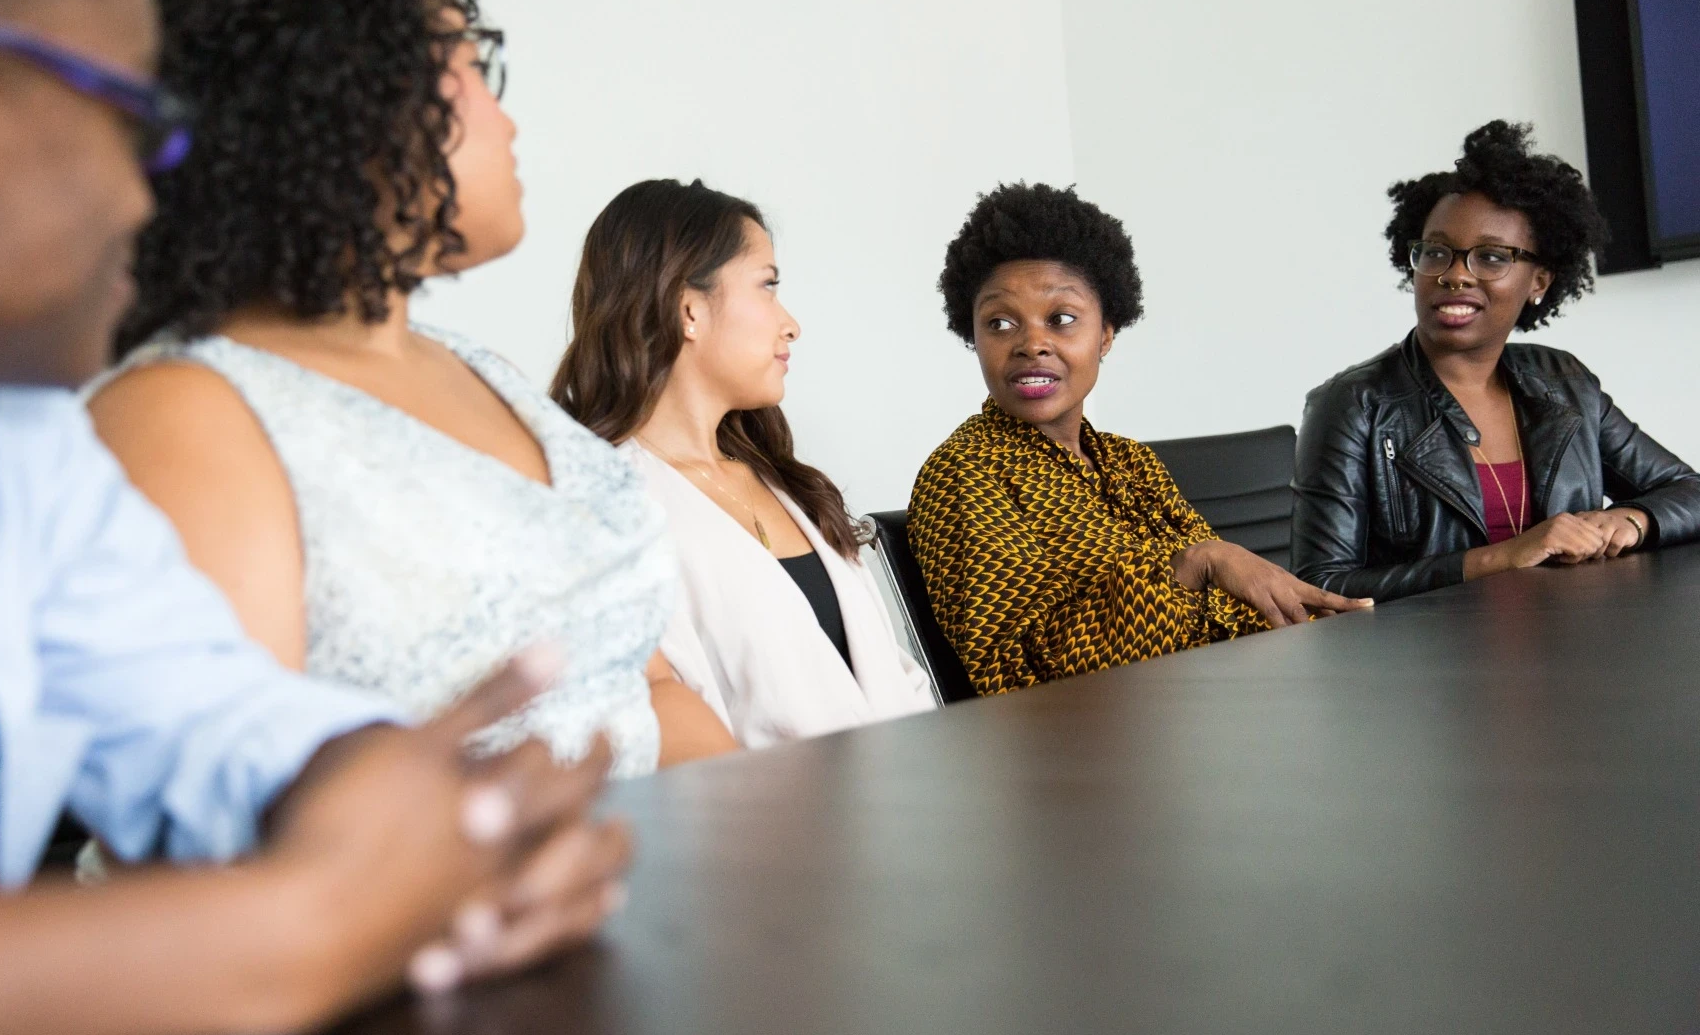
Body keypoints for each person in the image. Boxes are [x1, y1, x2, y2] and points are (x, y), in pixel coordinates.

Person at [0, 0, 628, 1035]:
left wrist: (426, 818)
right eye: (136, 116)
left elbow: (211, 715)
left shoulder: (8, 442)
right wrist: (314, 922)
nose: (155, 188)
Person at [88, 0, 735, 777]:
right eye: (472, 64)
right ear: (344, 94)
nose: (504, 117)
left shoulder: (485, 373)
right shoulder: (184, 414)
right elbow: (228, 843)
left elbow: (646, 689)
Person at [908, 182, 1369, 696]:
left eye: (1061, 320)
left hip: (1209, 705)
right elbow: (1017, 675)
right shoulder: (964, 474)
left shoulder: (1131, 462)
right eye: (1000, 323)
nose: (1031, 343)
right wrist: (1192, 564)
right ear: (974, 338)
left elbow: (1226, 600)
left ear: (1106, 334)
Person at [552, 180, 936, 745]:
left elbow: (896, 679)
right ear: (688, 309)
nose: (790, 324)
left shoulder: (787, 483)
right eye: (768, 285)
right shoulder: (607, 507)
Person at [1291, 121, 1700, 601]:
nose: (1456, 275)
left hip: (1576, 645)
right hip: (1429, 666)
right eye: (1437, 252)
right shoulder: (1354, 405)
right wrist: (1498, 559)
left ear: (1540, 281)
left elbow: (1687, 490)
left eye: (1490, 258)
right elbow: (1317, 588)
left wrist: (1632, 519)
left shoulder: (1564, 383)